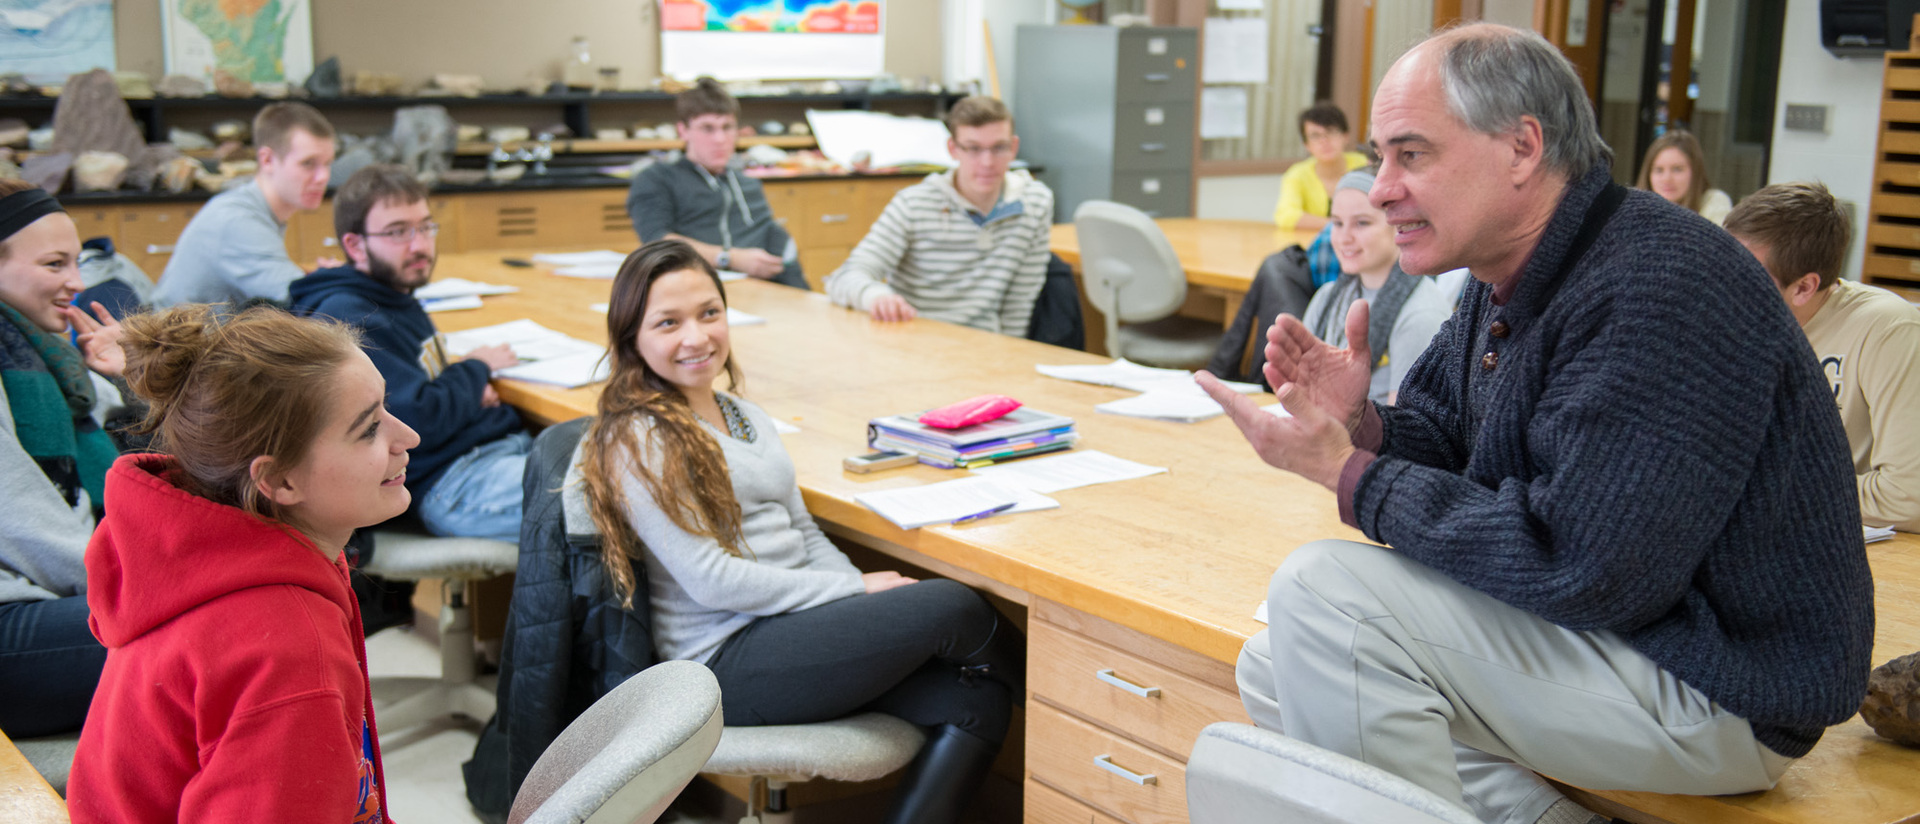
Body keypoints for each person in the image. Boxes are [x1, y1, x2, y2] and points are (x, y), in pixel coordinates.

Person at [1196, 24, 1872, 824]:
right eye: (1379, 157)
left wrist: (1351, 475)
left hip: (1719, 684)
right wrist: (1364, 427)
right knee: (1279, 664)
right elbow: (1453, 439)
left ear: (1521, 148)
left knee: (1327, 601)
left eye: (1411, 156)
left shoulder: (1662, 288)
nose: (1378, 189)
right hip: (1623, 632)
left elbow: (1583, 568)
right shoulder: (1510, 269)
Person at [573, 239, 1022, 824]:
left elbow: (803, 531)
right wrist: (855, 593)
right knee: (952, 606)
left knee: (975, 700)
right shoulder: (641, 437)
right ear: (632, 337)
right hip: (723, 662)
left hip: (793, 631)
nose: (697, 337)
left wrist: (849, 595)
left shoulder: (743, 415)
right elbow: (711, 581)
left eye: (710, 313)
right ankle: (1078, 714)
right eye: (668, 323)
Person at [68, 304, 415, 822]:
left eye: (386, 409)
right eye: (368, 430)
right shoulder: (290, 653)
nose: (406, 436)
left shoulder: (214, 564)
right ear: (278, 481)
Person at [289, 165, 528, 542]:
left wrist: (458, 384)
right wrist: (473, 372)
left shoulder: (392, 293)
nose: (420, 245)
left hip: (487, 453)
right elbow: (417, 421)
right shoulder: (351, 317)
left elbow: (422, 392)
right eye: (398, 232)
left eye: (426, 227)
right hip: (451, 482)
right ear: (354, 246)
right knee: (621, 492)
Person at [0, 179, 128, 741]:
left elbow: (142, 475)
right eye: (55, 264)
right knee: (227, 628)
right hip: (13, 616)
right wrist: (160, 582)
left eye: (76, 263)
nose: (76, 284)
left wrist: (129, 379)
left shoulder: (50, 359)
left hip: (47, 594)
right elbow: (35, 533)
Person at [1726, 182, 1920, 532]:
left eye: (1747, 277)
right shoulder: (1727, 318)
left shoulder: (1888, 328)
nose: (1725, 286)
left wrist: (1763, 493)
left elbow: (1907, 498)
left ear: (1804, 287)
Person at [824, 96, 1054, 335]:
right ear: (952, 149)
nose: (987, 162)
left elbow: (1020, 302)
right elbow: (843, 278)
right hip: (915, 338)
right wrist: (877, 297)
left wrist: (1009, 356)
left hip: (985, 345)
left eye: (999, 148)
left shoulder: (1035, 203)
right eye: (973, 149)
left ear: (1014, 147)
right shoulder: (913, 204)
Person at [626, 76, 808, 290]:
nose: (720, 139)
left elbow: (776, 242)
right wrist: (729, 258)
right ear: (683, 130)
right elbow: (656, 242)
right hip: (692, 290)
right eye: (708, 128)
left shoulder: (748, 184)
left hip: (761, 291)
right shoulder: (657, 179)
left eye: (727, 127)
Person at [153, 102, 339, 307]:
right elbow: (304, 301)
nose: (323, 177)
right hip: (176, 338)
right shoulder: (237, 220)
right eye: (308, 163)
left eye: (328, 163)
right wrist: (344, 280)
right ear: (267, 160)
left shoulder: (252, 209)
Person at [1295, 168, 1450, 404]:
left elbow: (1406, 428)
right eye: (1337, 223)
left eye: (1362, 223)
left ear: (1400, 224)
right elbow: (1299, 386)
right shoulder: (1327, 295)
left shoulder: (1421, 315)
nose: (1344, 238)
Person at [1273, 101, 1371, 232]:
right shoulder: (1297, 174)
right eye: (1315, 136)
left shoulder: (1366, 166)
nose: (1324, 141)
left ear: (1345, 136)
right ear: (1306, 144)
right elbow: (1286, 216)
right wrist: (1338, 225)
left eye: (1331, 132)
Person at [1635, 129, 1732, 225]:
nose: (1667, 179)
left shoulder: (1714, 201)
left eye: (1677, 169)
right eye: (1659, 170)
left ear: (1695, 171)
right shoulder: (1633, 206)